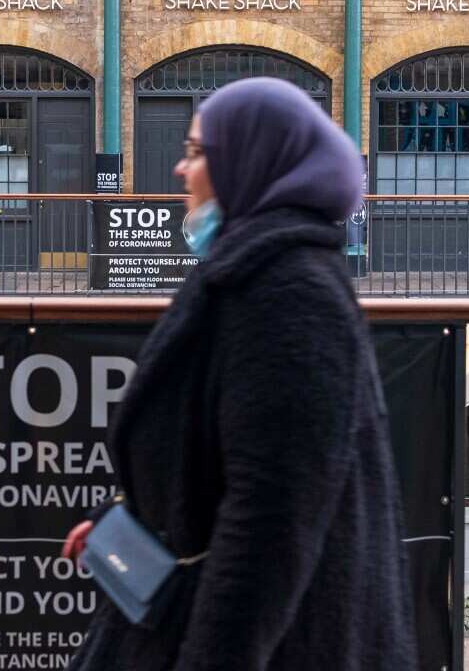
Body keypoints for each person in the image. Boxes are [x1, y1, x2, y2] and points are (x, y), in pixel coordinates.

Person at [61, 77, 418, 671]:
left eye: (198, 152)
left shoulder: (288, 294)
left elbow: (270, 521)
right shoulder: (249, 273)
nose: (180, 169)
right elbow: (210, 456)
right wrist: (126, 521)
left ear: (250, 163)